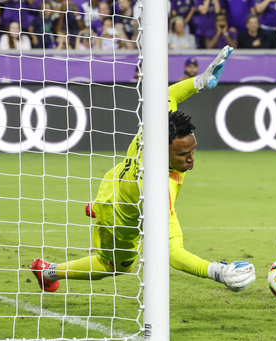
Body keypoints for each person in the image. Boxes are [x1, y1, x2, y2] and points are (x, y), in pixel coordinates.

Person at [30, 46, 256, 293]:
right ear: (162, 152)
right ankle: (46, 270)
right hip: (120, 218)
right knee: (115, 267)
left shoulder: (158, 127)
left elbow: (169, 95)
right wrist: (217, 271)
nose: (191, 159)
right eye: (183, 154)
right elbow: (174, 254)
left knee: (118, 201)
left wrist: (200, 81)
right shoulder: (157, 190)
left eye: (193, 150)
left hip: (114, 181)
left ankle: (95, 206)